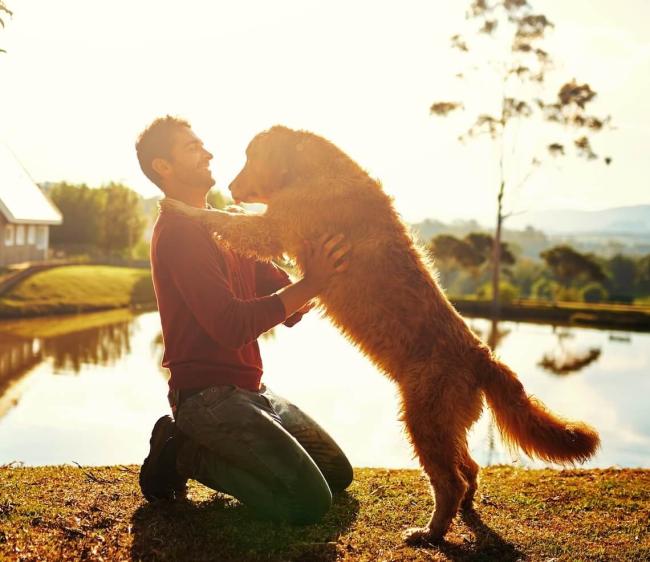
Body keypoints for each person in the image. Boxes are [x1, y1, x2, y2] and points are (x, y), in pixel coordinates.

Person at [134, 115, 353, 524]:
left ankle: (199, 446)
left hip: (253, 390)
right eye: (192, 148)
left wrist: (320, 267)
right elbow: (232, 325)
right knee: (308, 504)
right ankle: (183, 453)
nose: (208, 153)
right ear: (163, 166)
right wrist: (311, 284)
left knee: (338, 475)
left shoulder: (225, 226)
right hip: (207, 398)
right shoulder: (180, 233)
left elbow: (282, 291)